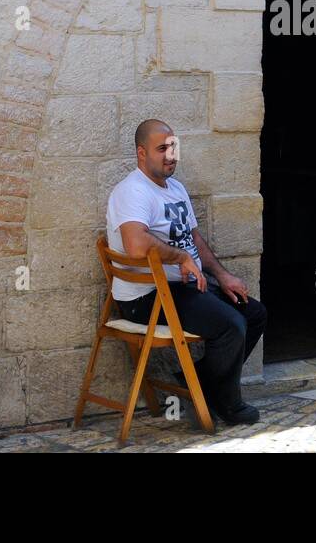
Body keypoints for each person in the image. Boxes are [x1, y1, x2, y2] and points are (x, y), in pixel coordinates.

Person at [106, 118, 267, 425]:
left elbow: (193, 239)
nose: (171, 155)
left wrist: (222, 275)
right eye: (162, 148)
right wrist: (179, 257)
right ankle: (228, 403)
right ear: (142, 153)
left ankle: (196, 383)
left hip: (183, 288)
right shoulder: (132, 192)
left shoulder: (175, 188)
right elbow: (136, 244)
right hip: (147, 297)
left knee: (254, 313)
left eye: (173, 147)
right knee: (231, 325)